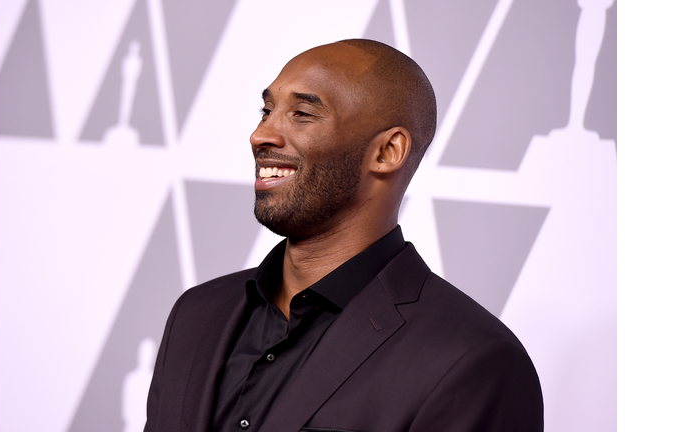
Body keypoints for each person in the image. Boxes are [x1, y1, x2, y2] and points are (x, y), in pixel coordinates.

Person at [144, 39, 543, 432]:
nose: (260, 134)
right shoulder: (196, 313)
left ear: (388, 151)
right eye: (266, 110)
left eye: (301, 113)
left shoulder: (472, 360)